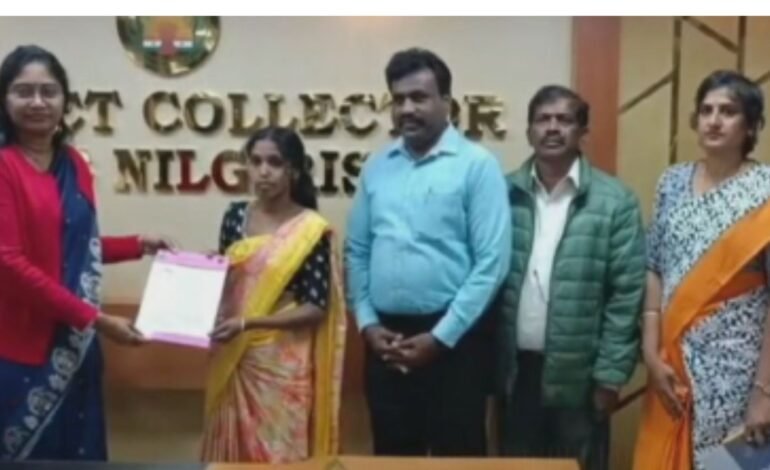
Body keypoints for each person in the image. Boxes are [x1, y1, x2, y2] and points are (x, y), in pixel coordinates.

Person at [0, 45, 171, 461]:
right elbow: (8, 263)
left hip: (77, 347)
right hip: (19, 348)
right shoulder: (4, 166)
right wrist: (94, 318)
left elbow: (75, 244)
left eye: (48, 91)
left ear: (65, 99)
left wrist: (137, 244)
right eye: (23, 91)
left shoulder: (73, 162)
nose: (37, 102)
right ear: (4, 100)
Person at [345, 47, 512, 457]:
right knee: (392, 457)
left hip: (455, 344)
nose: (407, 109)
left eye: (419, 97)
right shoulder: (377, 167)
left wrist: (440, 338)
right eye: (398, 99)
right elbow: (357, 250)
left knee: (458, 458)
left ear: (446, 102)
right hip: (385, 341)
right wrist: (367, 323)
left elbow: (492, 264)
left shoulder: (476, 165)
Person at [495, 85, 645, 470]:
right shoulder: (502, 194)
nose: (552, 128)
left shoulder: (615, 201)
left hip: (582, 377)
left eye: (564, 120)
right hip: (515, 372)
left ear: (582, 132)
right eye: (543, 119)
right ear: (529, 131)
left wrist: (610, 376)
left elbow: (626, 296)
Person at [634, 70, 770, 470]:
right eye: (706, 110)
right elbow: (655, 267)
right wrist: (650, 353)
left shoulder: (766, 190)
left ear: (751, 126)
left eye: (728, 112)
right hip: (670, 365)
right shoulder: (673, 183)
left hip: (738, 369)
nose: (713, 120)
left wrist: (763, 394)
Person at [201, 127, 346, 463]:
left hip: (281, 364)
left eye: (275, 162)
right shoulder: (235, 216)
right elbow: (231, 282)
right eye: (255, 162)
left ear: (293, 170)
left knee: (280, 456)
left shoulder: (310, 229)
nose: (263, 171)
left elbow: (315, 307)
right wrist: (203, 268)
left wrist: (248, 323)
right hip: (232, 352)